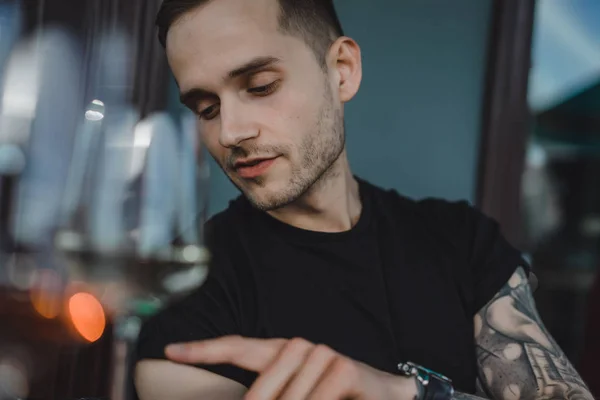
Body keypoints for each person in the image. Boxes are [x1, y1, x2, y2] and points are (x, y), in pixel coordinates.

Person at [133, 0, 594, 399]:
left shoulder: (462, 241)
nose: (230, 132)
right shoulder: (185, 285)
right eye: (206, 109)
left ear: (341, 72)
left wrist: (407, 393)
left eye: (260, 86)